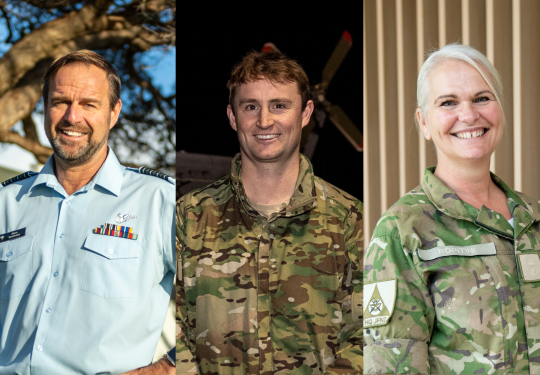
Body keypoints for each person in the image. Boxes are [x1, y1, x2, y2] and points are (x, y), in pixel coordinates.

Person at [176, 51, 363, 374]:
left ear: (305, 113)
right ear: (233, 117)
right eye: (250, 107)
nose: (264, 121)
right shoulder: (188, 218)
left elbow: (371, 333)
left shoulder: (349, 220)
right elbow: (167, 325)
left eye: (279, 105)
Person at [364, 43, 540, 374]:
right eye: (448, 103)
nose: (469, 115)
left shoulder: (534, 217)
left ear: (500, 108)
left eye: (482, 98)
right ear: (424, 122)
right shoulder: (402, 230)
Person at [0, 50, 175, 374]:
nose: (72, 116)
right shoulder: (7, 202)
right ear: (45, 107)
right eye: (60, 101)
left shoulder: (160, 201)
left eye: (89, 104)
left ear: (113, 113)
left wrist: (165, 369)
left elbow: (225, 302)